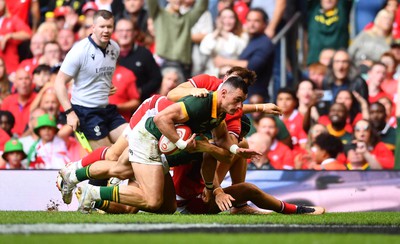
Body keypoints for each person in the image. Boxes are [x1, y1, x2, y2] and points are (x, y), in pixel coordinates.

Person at [66, 76, 261, 214]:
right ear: (224, 92)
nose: (239, 107)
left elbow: (222, 139)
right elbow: (161, 117)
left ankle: (73, 175)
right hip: (149, 134)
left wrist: (237, 149)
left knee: (160, 203)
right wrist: (182, 143)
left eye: (242, 102)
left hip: (161, 142)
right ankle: (92, 191)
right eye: (237, 100)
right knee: (147, 195)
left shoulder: (219, 111)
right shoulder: (200, 102)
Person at [54, 10, 127, 151]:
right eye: (102, 26)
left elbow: (99, 70)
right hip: (85, 112)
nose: (106, 30)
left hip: (106, 108)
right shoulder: (79, 51)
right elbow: (59, 82)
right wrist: (69, 113)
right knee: (108, 156)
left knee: (134, 140)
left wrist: (106, 84)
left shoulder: (115, 48)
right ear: (93, 27)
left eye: (109, 27)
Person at [213, 8, 274, 100]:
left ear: (264, 24)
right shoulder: (250, 39)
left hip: (255, 96)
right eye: (249, 20)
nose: (252, 24)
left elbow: (252, 66)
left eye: (256, 21)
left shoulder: (265, 43)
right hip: (243, 93)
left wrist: (224, 61)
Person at [147, 0, 208, 79]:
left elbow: (201, 7)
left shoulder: (187, 19)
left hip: (183, 67)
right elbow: (151, 2)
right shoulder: (159, 14)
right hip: (162, 64)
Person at [114, 18, 162, 102]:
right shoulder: (108, 54)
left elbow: (156, 79)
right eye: (121, 31)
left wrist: (140, 91)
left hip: (140, 103)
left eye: (128, 30)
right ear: (115, 33)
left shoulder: (144, 54)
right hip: (113, 104)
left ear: (134, 33)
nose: (124, 34)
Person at [0, 69, 37, 136]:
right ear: (15, 84)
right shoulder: (7, 101)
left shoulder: (38, 99)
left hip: (32, 139)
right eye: (20, 79)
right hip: (9, 140)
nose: (24, 82)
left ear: (31, 82)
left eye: (27, 78)